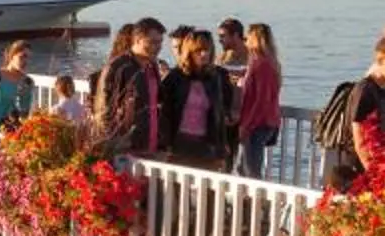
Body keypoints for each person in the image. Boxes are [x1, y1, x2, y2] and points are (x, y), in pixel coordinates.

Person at [321, 33, 385, 195]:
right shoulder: (365, 91)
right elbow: (360, 141)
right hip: (359, 165)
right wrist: (376, 175)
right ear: (380, 61)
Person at [156, 29, 238, 167]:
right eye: (199, 50)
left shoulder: (218, 77)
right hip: (178, 145)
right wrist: (165, 144)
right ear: (189, 52)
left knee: (208, 187)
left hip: (207, 146)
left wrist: (222, 148)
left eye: (207, 50)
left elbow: (220, 115)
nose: (204, 54)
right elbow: (164, 112)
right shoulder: (175, 77)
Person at [92, 19, 162, 158]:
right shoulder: (118, 67)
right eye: (152, 42)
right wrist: (115, 144)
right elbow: (104, 110)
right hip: (126, 149)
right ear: (137, 39)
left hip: (150, 146)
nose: (157, 47)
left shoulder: (152, 66)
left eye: (160, 42)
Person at [235, 23, 284, 180]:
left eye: (247, 38)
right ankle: (247, 202)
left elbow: (260, 99)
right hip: (264, 121)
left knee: (251, 170)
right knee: (243, 167)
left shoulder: (260, 64)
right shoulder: (269, 63)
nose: (245, 41)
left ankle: (256, 204)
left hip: (258, 123)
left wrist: (246, 125)